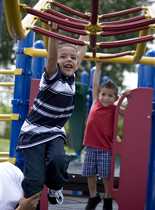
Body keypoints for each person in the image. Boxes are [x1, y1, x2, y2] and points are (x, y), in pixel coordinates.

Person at [16, 22, 88, 210]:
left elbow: (80, 51)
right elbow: (51, 58)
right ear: (57, 62)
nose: (69, 60)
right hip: (33, 133)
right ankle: (30, 202)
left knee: (58, 160)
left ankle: (55, 188)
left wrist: (87, 32)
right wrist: (54, 36)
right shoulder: (51, 76)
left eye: (72, 58)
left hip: (54, 131)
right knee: (35, 179)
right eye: (63, 57)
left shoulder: (71, 76)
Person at [82, 62, 118, 210]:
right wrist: (98, 66)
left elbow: (127, 105)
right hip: (90, 146)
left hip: (105, 148)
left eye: (110, 96)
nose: (105, 98)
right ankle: (93, 196)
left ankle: (108, 198)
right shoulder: (96, 102)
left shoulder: (114, 108)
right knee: (89, 173)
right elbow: (96, 83)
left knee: (105, 176)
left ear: (115, 98)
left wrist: (128, 94)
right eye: (103, 94)